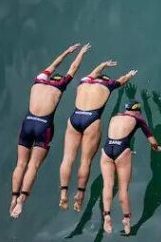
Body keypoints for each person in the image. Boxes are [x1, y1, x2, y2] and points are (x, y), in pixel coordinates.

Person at [11, 43, 90, 218]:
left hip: (28, 123)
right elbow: (74, 68)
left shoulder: (39, 79)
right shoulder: (60, 85)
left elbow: (53, 65)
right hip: (43, 126)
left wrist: (67, 52)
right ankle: (22, 202)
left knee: (21, 164)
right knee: (34, 165)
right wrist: (81, 53)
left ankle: (13, 198)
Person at [58, 59, 137, 212]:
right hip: (91, 120)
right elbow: (122, 81)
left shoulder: (84, 82)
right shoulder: (108, 85)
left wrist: (103, 65)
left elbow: (92, 73)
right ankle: (79, 197)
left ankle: (63, 194)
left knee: (67, 159)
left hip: (75, 118)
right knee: (85, 161)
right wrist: (130, 75)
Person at [100, 98, 161, 235]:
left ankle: (107, 216)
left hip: (106, 150)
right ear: (137, 111)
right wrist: (157, 148)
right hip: (122, 150)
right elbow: (152, 140)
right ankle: (126, 220)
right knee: (123, 189)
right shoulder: (138, 120)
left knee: (108, 185)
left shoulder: (115, 116)